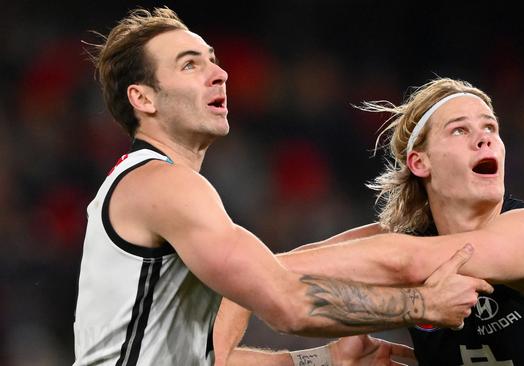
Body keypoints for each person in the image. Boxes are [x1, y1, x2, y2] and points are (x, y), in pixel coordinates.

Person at [72, 8, 494, 365]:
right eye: (189, 65)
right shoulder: (162, 185)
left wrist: (320, 360)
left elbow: (208, 357)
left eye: (212, 60)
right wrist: (423, 305)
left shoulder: (155, 187)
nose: (218, 74)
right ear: (144, 99)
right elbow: (287, 304)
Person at [214, 78, 524, 365]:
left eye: (490, 127)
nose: (485, 139)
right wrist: (321, 361)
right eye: (460, 130)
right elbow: (263, 288)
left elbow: (409, 261)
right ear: (420, 162)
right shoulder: (395, 243)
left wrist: (253, 270)